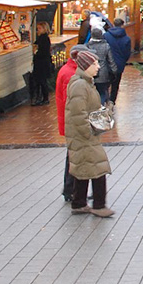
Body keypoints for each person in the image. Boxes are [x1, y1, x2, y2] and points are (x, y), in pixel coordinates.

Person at [65, 49, 114, 218]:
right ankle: (99, 205)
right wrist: (88, 132)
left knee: (84, 167)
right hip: (83, 135)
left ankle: (79, 203)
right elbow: (78, 113)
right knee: (98, 167)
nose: (98, 66)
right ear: (86, 66)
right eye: (95, 63)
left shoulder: (86, 83)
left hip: (83, 134)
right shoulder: (80, 85)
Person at [56, 44, 90, 202]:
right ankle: (71, 190)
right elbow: (71, 103)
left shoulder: (71, 71)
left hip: (72, 122)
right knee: (74, 156)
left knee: (74, 155)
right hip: (73, 123)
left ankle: (72, 189)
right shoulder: (71, 74)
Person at [104, 18, 132, 105]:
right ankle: (112, 102)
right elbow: (127, 53)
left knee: (106, 84)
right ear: (122, 25)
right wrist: (123, 61)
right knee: (115, 85)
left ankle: (105, 100)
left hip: (107, 63)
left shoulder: (106, 36)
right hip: (119, 64)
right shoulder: (127, 39)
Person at [86, 26, 116, 106]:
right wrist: (114, 71)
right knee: (102, 92)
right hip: (103, 72)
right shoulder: (106, 46)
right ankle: (101, 106)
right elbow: (111, 60)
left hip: (90, 72)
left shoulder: (88, 46)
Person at [30, 22, 53, 106]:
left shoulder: (44, 39)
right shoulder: (43, 38)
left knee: (41, 81)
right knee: (41, 81)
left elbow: (43, 51)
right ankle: (43, 98)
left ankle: (44, 98)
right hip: (42, 63)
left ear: (44, 29)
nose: (38, 30)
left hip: (41, 63)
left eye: (39, 28)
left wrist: (36, 52)